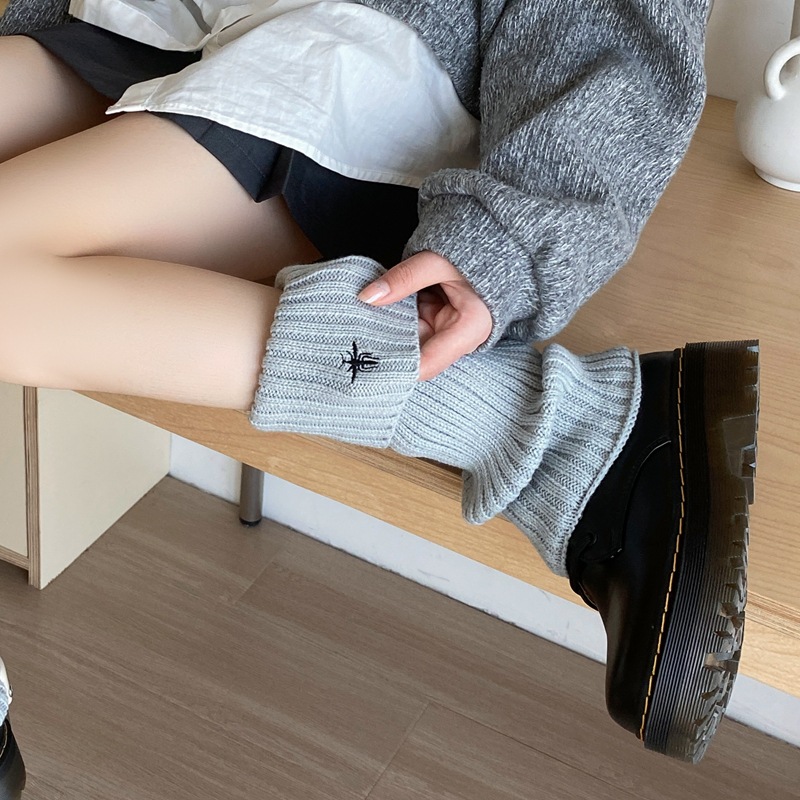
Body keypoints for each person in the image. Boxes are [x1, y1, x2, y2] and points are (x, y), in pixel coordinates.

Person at [0, 0, 758, 793]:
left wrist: (509, 237)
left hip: (354, 57)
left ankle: (562, 429)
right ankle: (553, 425)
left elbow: (617, 29)